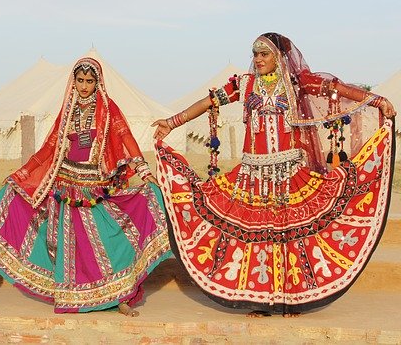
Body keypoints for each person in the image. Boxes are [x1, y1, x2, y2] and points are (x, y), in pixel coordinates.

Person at [152, 32, 396, 317]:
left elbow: (336, 88)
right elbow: (209, 102)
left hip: (290, 173)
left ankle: (292, 300)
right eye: (255, 54)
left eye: (264, 54)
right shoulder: (244, 85)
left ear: (278, 57)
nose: (258, 59)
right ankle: (260, 301)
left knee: (290, 237)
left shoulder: (296, 83)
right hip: (252, 175)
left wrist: (375, 99)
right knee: (258, 239)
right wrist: (172, 122)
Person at [0, 56, 172, 316]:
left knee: (107, 240)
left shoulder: (107, 108)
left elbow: (125, 135)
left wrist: (143, 170)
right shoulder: (68, 109)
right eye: (80, 80)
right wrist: (22, 173)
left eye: (89, 81)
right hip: (65, 184)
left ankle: (120, 296)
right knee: (71, 246)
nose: (84, 86)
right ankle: (72, 296)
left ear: (98, 82)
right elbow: (49, 147)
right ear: (74, 81)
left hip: (94, 184)